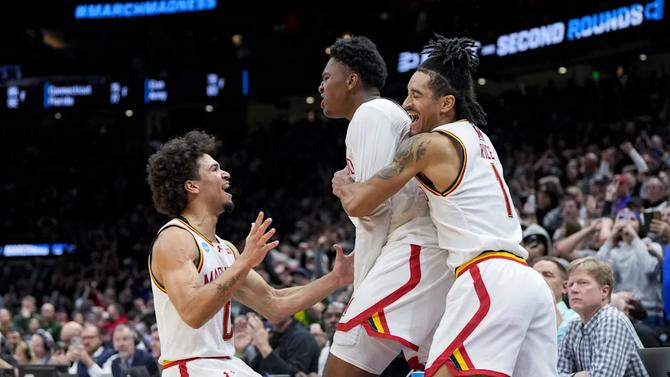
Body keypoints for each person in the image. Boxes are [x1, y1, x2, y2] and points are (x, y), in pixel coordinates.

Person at [332, 35, 557, 377]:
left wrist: (344, 184)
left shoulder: (428, 145)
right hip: (528, 281)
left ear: (446, 103)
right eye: (407, 92)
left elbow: (362, 203)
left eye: (416, 96)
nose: (406, 103)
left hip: (487, 277)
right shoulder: (480, 138)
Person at [145, 130, 353, 377]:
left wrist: (336, 278)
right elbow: (192, 313)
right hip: (191, 367)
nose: (225, 174)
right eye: (214, 169)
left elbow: (274, 304)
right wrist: (244, 262)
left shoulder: (225, 248)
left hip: (224, 364)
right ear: (192, 186)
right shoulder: (175, 237)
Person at [318, 35, 451, 376]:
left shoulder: (371, 113)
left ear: (352, 81)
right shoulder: (380, 115)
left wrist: (363, 287)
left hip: (413, 251)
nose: (320, 87)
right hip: (421, 253)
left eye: (326, 78)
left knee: (341, 367)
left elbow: (373, 210)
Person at [558, 257, 648, 377]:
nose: (573, 289)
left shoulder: (612, 320)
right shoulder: (573, 326)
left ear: (604, 291)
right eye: (570, 284)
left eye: (582, 283)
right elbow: (554, 373)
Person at [532, 257, 579, 344]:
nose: (538, 278)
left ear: (565, 287)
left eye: (547, 275)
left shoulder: (575, 319)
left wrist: (550, 303)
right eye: (534, 274)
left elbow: (568, 349)